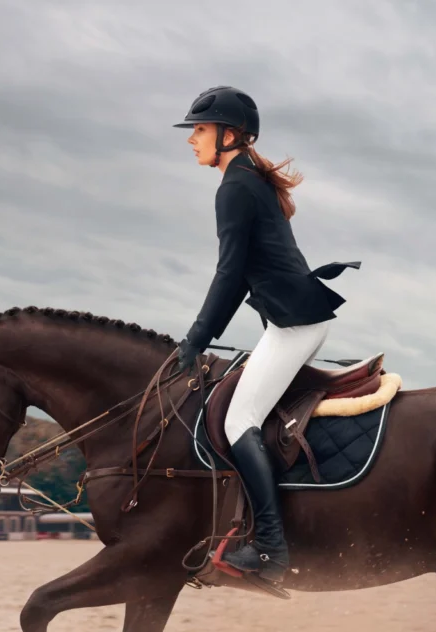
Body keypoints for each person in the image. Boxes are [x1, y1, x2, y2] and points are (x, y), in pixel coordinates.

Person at [172, 86, 359, 583]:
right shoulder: (245, 179)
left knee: (239, 422)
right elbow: (237, 278)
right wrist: (198, 339)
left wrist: (194, 341)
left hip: (295, 325)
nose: (192, 139)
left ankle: (272, 552)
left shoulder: (235, 186)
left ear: (229, 135)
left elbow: (229, 275)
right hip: (294, 319)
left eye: (200, 129)